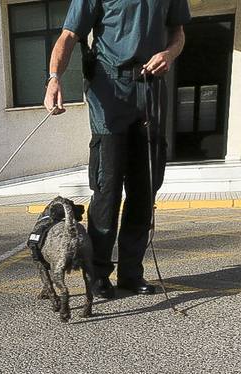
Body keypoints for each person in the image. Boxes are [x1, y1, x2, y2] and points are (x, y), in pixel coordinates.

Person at [44, 0, 190, 298]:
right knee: (107, 188)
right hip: (109, 87)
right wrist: (54, 79)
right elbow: (68, 35)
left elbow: (178, 33)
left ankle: (131, 274)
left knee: (144, 189)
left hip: (150, 88)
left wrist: (169, 53)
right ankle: (96, 274)